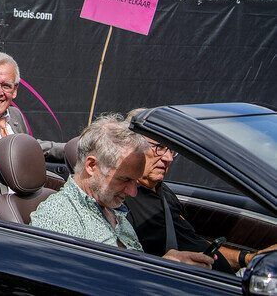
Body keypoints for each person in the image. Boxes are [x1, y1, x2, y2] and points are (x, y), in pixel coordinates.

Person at [30, 114, 214, 268]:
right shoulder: (57, 219)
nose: (133, 192)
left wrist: (164, 264)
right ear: (92, 165)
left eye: (135, 180)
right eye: (125, 179)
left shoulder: (110, 209)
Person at [124, 109, 277, 273]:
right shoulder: (123, 199)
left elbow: (192, 242)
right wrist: (165, 265)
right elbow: (128, 270)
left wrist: (248, 258)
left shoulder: (164, 192)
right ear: (133, 148)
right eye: (159, 147)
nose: (168, 158)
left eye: (171, 149)